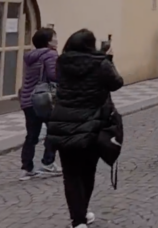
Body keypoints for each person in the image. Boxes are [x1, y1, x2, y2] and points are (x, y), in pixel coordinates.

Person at [47, 29, 124, 228]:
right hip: (92, 124)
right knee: (87, 171)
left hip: (63, 122)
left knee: (70, 174)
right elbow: (117, 83)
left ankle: (78, 219)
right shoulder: (101, 63)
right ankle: (82, 214)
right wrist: (109, 58)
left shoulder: (61, 62)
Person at [18, 27, 60, 180]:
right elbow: (53, 75)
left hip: (28, 100)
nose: (56, 39)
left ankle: (26, 167)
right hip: (44, 99)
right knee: (55, 130)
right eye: (54, 37)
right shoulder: (50, 54)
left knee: (31, 135)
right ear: (48, 41)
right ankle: (48, 163)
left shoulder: (31, 56)